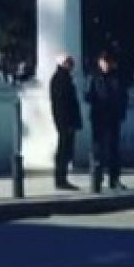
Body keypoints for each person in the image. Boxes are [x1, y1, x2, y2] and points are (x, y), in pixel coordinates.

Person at [85, 51, 129, 191]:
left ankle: (114, 179)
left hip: (113, 117)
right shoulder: (94, 77)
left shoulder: (117, 77)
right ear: (99, 63)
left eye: (108, 62)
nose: (106, 65)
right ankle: (96, 177)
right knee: (97, 148)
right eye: (104, 62)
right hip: (98, 117)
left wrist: (120, 112)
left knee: (113, 150)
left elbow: (123, 96)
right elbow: (88, 96)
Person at [48, 54, 82, 191]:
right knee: (63, 150)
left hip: (68, 121)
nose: (71, 65)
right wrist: (65, 122)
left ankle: (63, 178)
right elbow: (61, 104)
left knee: (67, 150)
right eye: (68, 63)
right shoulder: (59, 79)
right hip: (64, 122)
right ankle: (60, 179)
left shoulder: (65, 78)